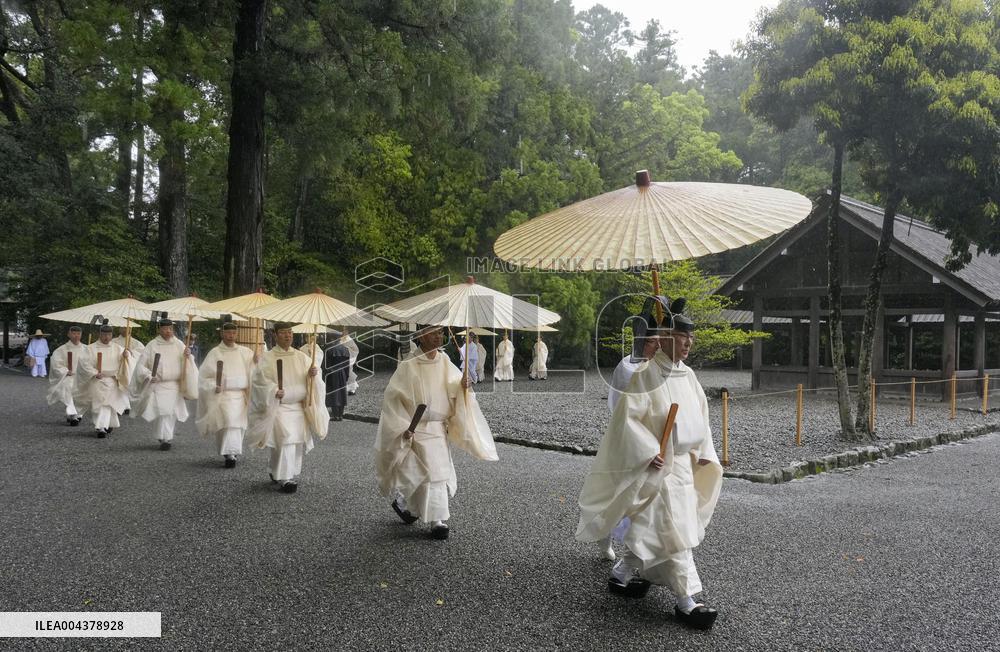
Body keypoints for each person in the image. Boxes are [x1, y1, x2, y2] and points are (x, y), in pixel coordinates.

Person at [576, 296, 723, 630]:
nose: (688, 344)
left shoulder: (688, 375)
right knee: (675, 532)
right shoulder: (645, 374)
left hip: (683, 465)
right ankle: (687, 601)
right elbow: (628, 420)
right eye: (682, 337)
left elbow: (702, 418)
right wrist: (648, 450)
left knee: (656, 528)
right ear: (667, 337)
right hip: (659, 465)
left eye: (691, 338)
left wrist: (704, 451)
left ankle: (622, 572)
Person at [374, 325, 498, 540]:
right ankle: (408, 507)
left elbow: (453, 388)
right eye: (433, 333)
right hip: (415, 428)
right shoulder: (408, 366)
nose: (438, 337)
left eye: (440, 332)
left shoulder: (445, 361)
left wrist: (463, 385)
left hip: (437, 428)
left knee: (438, 472)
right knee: (420, 473)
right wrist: (402, 426)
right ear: (421, 336)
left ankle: (435, 519)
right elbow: (393, 399)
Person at [598, 320, 661, 561]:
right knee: (619, 492)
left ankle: (641, 551)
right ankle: (604, 536)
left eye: (659, 342)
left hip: (653, 438)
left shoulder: (657, 365)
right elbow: (629, 410)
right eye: (653, 342)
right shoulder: (628, 367)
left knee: (648, 495)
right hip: (627, 436)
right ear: (641, 342)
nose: (657, 347)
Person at [246, 322, 328, 493]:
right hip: (280, 407)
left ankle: (278, 471)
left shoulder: (302, 357)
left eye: (290, 332)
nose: (287, 336)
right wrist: (274, 390)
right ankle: (285, 478)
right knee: (285, 440)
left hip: (298, 407)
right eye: (283, 332)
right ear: (275, 335)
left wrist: (312, 375)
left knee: (294, 441)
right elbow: (260, 382)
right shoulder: (268, 358)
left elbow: (313, 382)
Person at [130, 313, 198, 451]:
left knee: (171, 412)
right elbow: (140, 366)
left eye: (170, 329)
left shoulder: (179, 344)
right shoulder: (152, 345)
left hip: (174, 384)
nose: (168, 331)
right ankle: (163, 436)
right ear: (159, 330)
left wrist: (188, 356)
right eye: (165, 329)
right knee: (162, 411)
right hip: (159, 384)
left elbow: (187, 364)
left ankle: (166, 438)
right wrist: (149, 374)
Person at [196, 320, 257, 468]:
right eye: (228, 333)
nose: (231, 335)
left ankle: (232, 451)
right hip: (224, 395)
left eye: (233, 333)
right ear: (222, 334)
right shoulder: (215, 353)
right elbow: (204, 377)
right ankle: (230, 454)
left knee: (239, 425)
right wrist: (214, 386)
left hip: (241, 394)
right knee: (228, 422)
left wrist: (256, 361)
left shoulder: (246, 352)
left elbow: (255, 371)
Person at [76, 321, 131, 438]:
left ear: (112, 335)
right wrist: (94, 372)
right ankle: (101, 427)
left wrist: (127, 356)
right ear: (99, 335)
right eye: (104, 335)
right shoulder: (91, 348)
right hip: (98, 380)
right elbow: (84, 364)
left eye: (109, 335)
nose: (106, 337)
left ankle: (106, 424)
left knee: (110, 404)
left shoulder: (118, 348)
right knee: (100, 403)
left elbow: (126, 363)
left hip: (112, 380)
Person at [47, 325, 88, 425]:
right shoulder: (61, 350)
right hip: (68, 376)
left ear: (81, 335)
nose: (76, 336)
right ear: (69, 334)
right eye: (73, 333)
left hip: (82, 377)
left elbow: (92, 363)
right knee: (67, 390)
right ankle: (73, 415)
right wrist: (65, 371)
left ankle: (78, 414)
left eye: (78, 334)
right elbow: (56, 364)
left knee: (83, 395)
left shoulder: (86, 349)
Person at [323, 332, 351, 421]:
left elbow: (325, 365)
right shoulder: (345, 349)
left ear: (332, 339)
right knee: (342, 393)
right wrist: (346, 376)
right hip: (342, 373)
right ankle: (340, 415)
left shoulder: (329, 349)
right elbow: (347, 365)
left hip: (332, 373)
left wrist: (325, 375)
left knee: (333, 393)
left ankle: (335, 415)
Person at [341, 330, 360, 395]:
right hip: (342, 358)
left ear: (347, 333)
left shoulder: (349, 340)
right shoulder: (341, 340)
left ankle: (352, 389)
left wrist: (347, 349)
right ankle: (345, 389)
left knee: (349, 372)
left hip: (349, 358)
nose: (343, 334)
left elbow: (356, 350)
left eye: (344, 333)